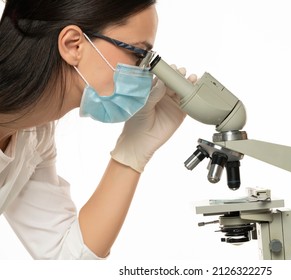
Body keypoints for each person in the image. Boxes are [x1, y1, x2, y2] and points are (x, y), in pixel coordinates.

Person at [0, 0, 195, 259]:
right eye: (138, 54)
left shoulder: (33, 136)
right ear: (74, 45)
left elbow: (66, 257)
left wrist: (132, 150)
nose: (144, 72)